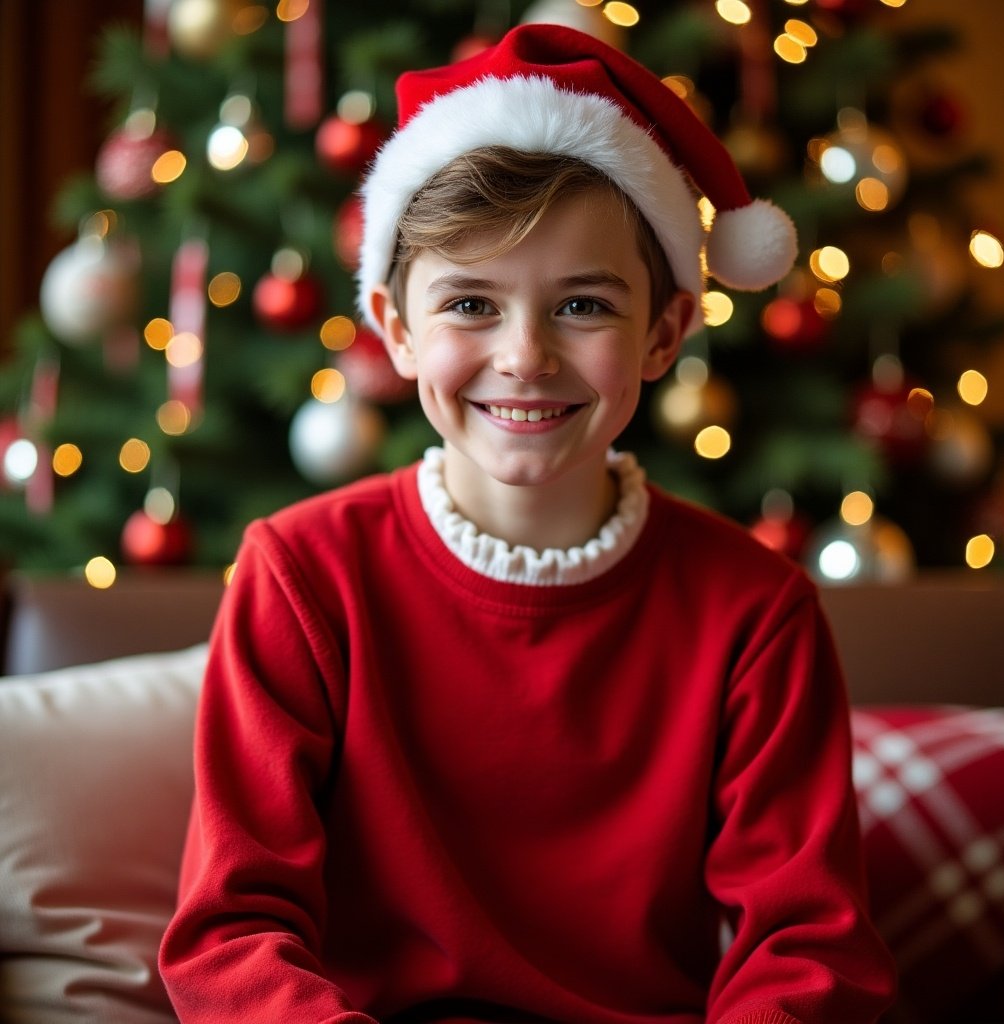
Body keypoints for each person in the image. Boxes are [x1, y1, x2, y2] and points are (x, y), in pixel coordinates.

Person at [159, 22, 897, 1024]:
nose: (524, 356)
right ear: (396, 327)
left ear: (664, 331)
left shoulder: (754, 610)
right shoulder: (301, 573)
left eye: (583, 306)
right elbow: (231, 936)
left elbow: (808, 949)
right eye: (469, 303)